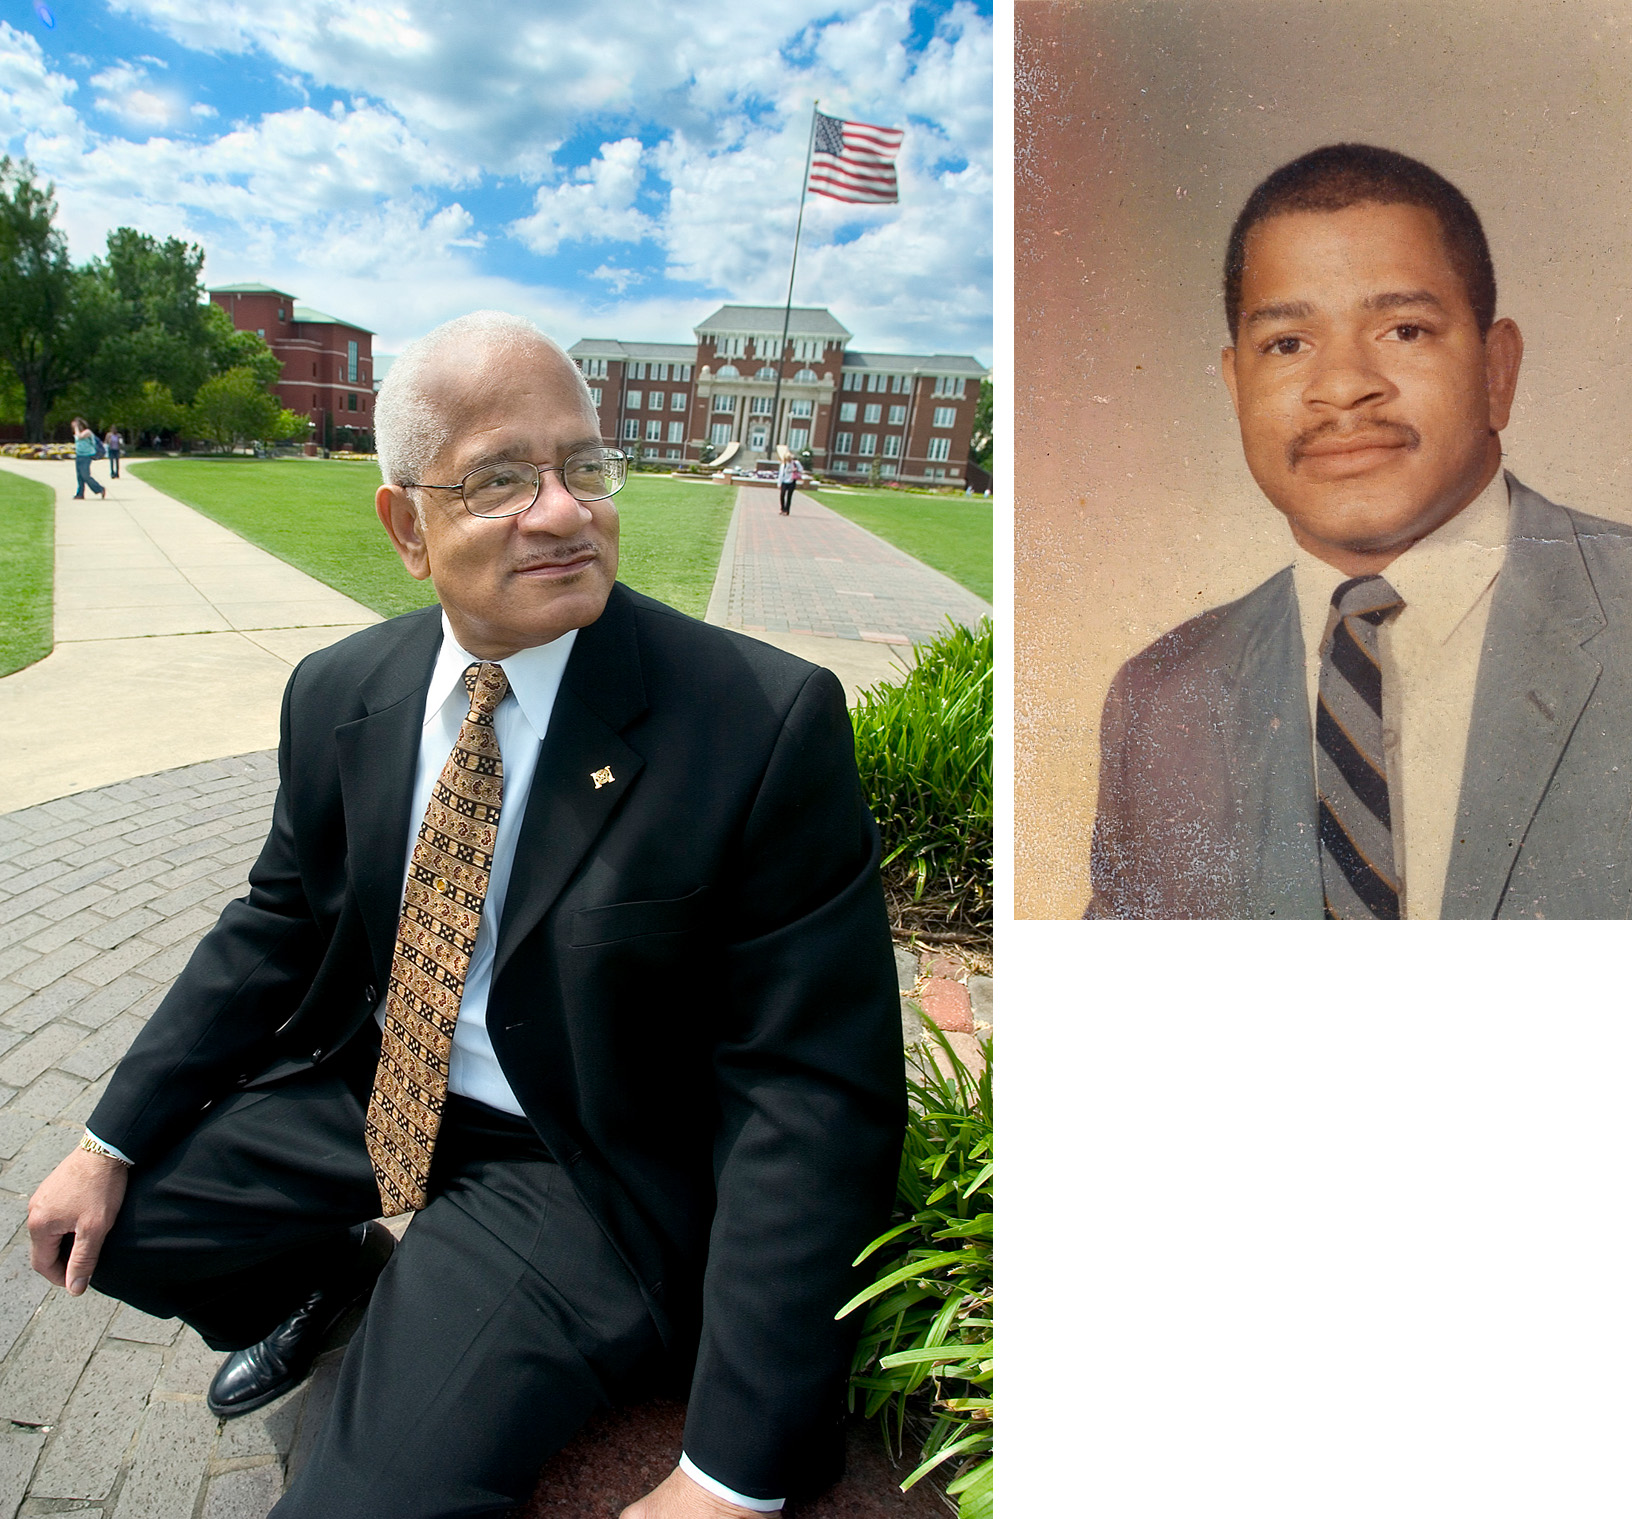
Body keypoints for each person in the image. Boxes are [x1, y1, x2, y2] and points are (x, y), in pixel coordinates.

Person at [25, 312, 905, 1517]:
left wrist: (732, 1472)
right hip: (380, 1090)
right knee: (111, 1234)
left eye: (584, 466)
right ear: (406, 526)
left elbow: (814, 1094)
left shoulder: (757, 726)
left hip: (572, 1160)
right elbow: (276, 921)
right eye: (500, 478)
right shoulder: (344, 692)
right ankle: (336, 1280)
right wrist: (104, 1140)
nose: (563, 511)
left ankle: (451, 1315)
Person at [1086, 143, 1632, 920]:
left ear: (1497, 369)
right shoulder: (1161, 701)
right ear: (1237, 385)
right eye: (1287, 344)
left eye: (1404, 330)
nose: (1342, 386)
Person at [70, 418, 105, 499]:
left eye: (76, 426)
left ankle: (100, 489)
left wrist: (76, 428)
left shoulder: (87, 432)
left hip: (87, 456)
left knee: (85, 475)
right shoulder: (77, 433)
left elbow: (79, 437)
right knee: (80, 476)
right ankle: (80, 494)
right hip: (79, 456)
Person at [776, 447, 799, 515]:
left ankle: (787, 510)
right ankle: (782, 508)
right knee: (782, 495)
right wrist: (779, 483)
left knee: (789, 496)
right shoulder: (783, 465)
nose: (789, 460)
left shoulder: (795, 464)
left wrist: (796, 470)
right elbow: (781, 474)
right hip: (784, 482)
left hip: (792, 482)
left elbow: (801, 469)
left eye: (790, 459)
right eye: (787, 459)